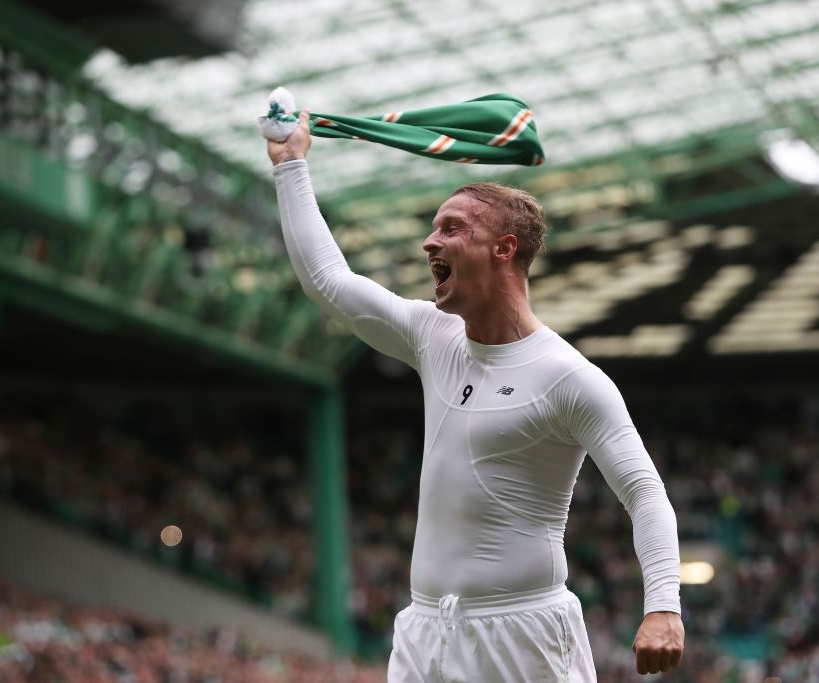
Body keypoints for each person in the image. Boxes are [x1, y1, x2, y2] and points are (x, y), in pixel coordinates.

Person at [269, 109, 684, 681]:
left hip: (523, 634)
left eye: (452, 228)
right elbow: (329, 281)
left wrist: (663, 605)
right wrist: (290, 165)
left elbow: (645, 493)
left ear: (504, 248)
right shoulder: (432, 335)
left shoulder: (568, 377)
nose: (429, 242)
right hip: (424, 632)